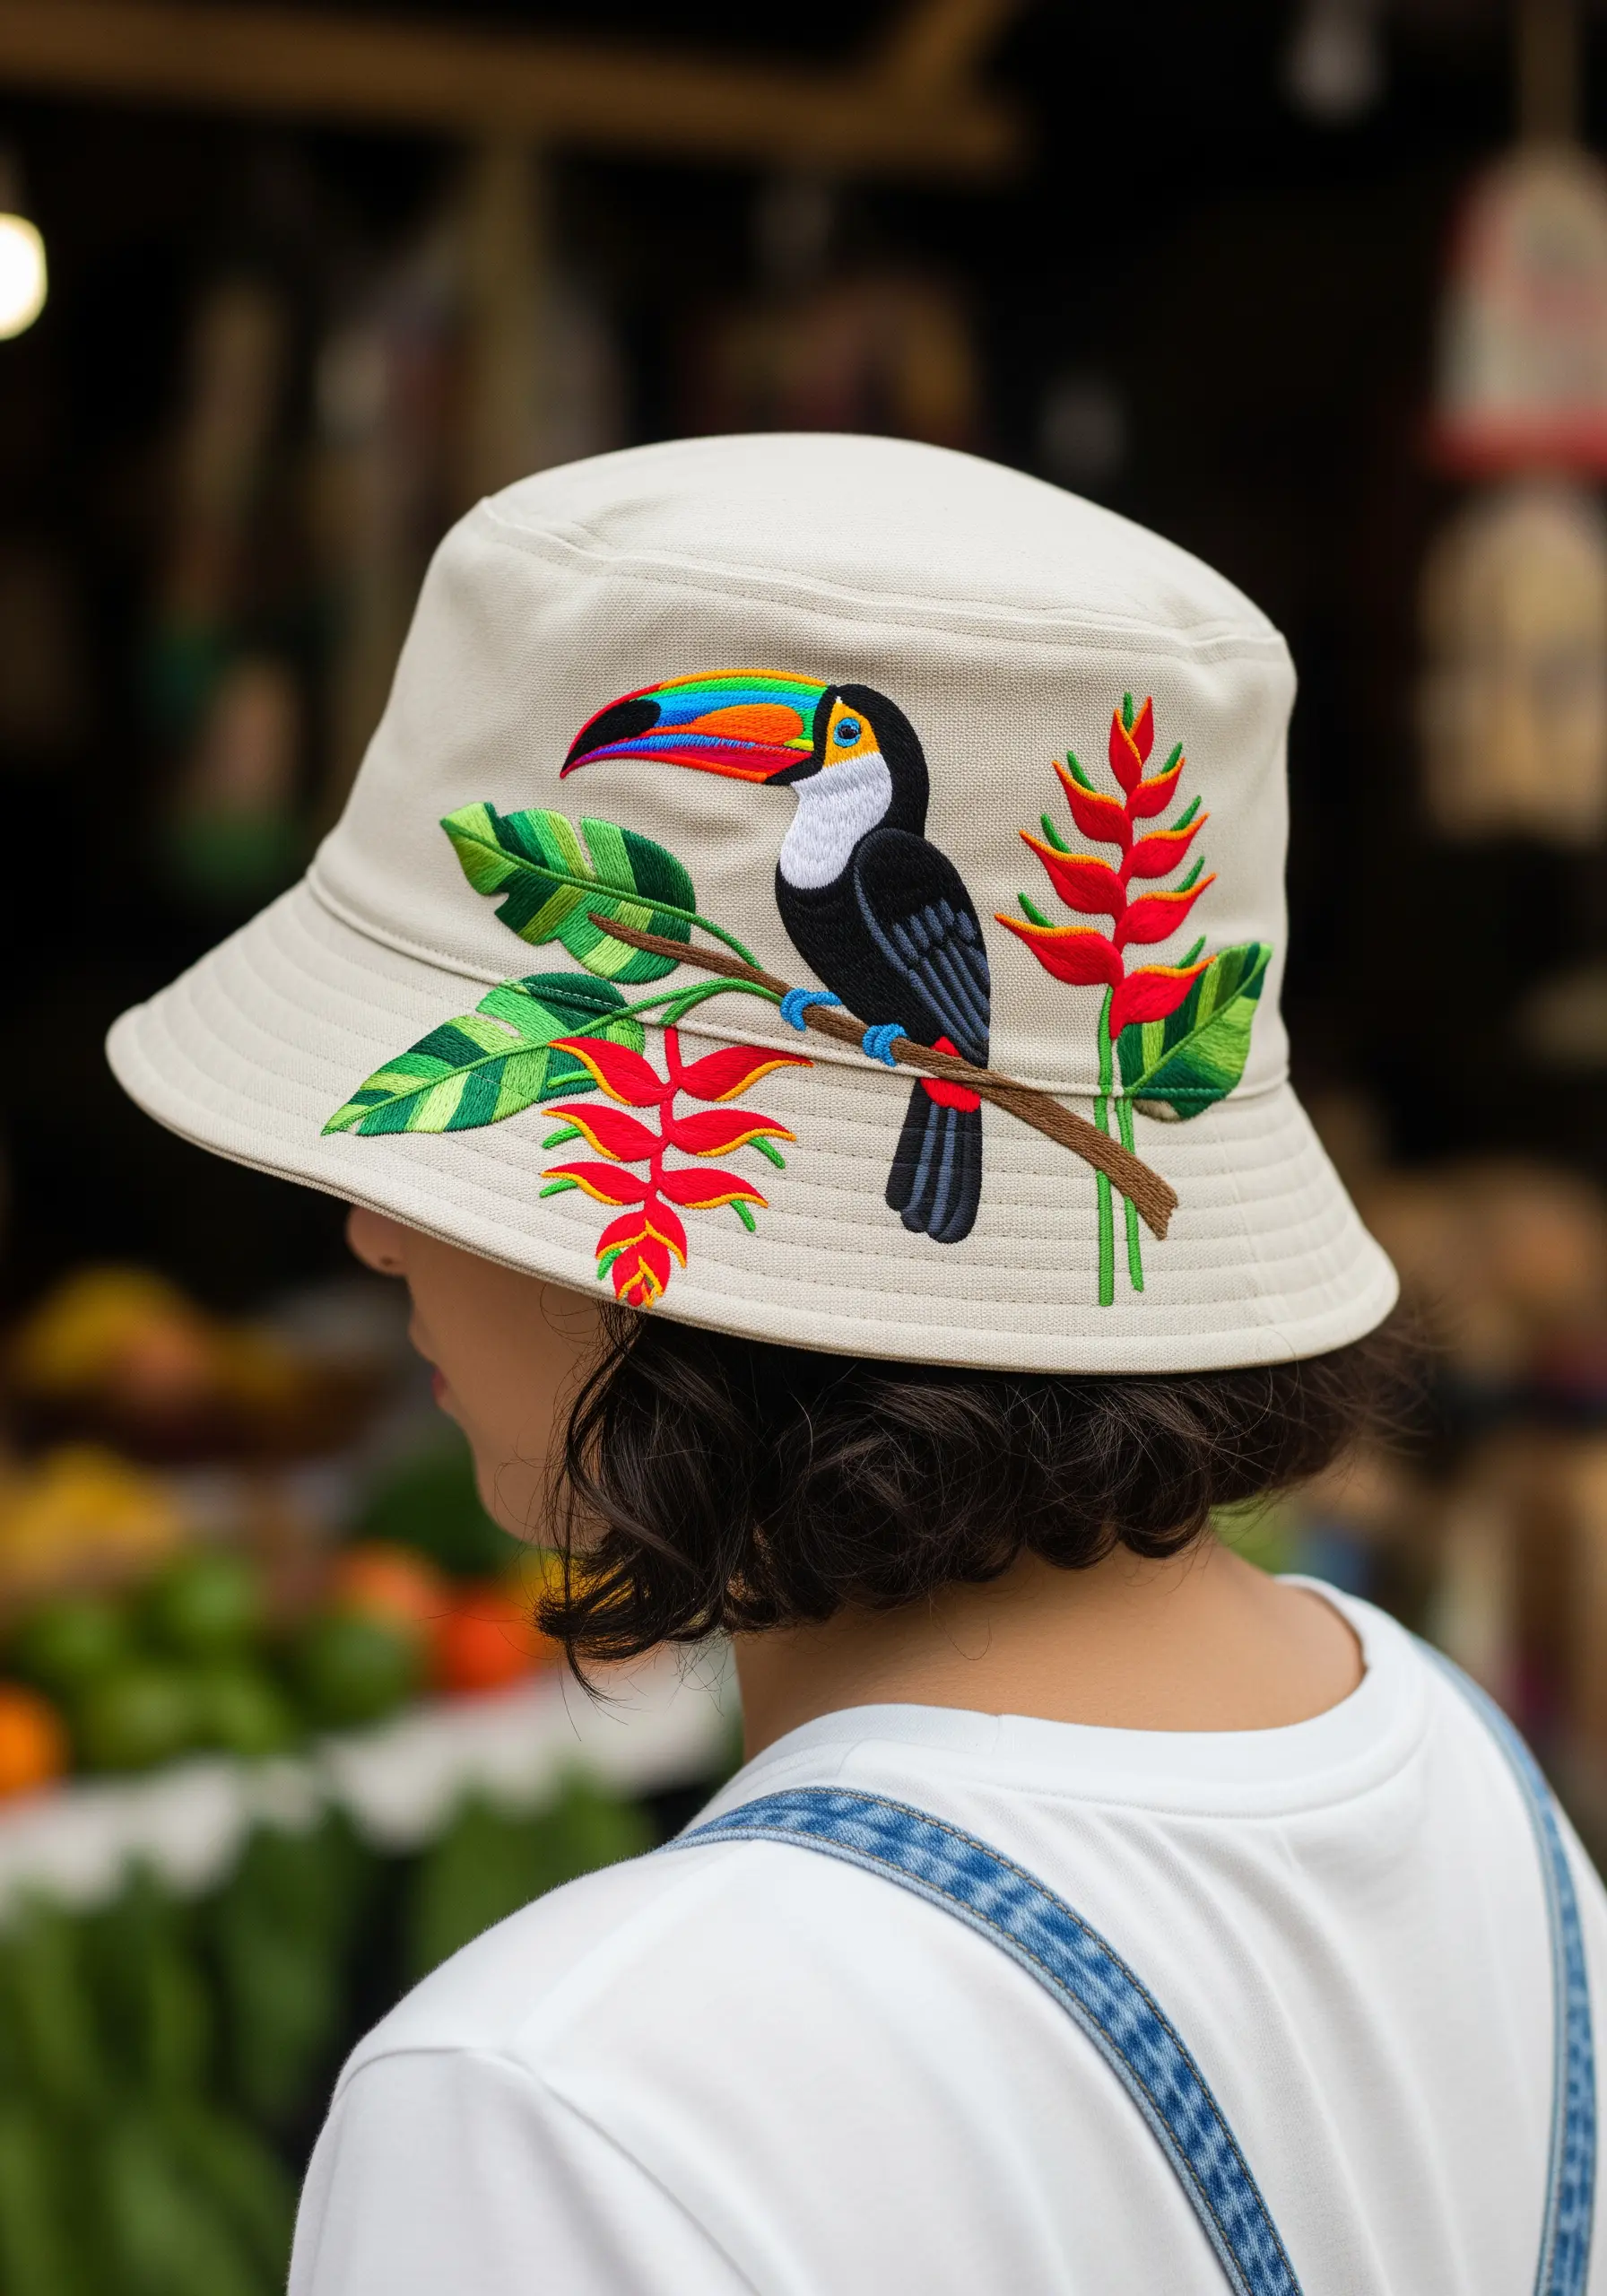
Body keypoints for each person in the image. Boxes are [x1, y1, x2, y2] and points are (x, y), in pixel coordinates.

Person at [108, 433, 1601, 2293]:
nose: (369, 1229)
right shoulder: (1471, 1788)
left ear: (675, 1229)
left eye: (435, 1160)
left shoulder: (567, 2101)